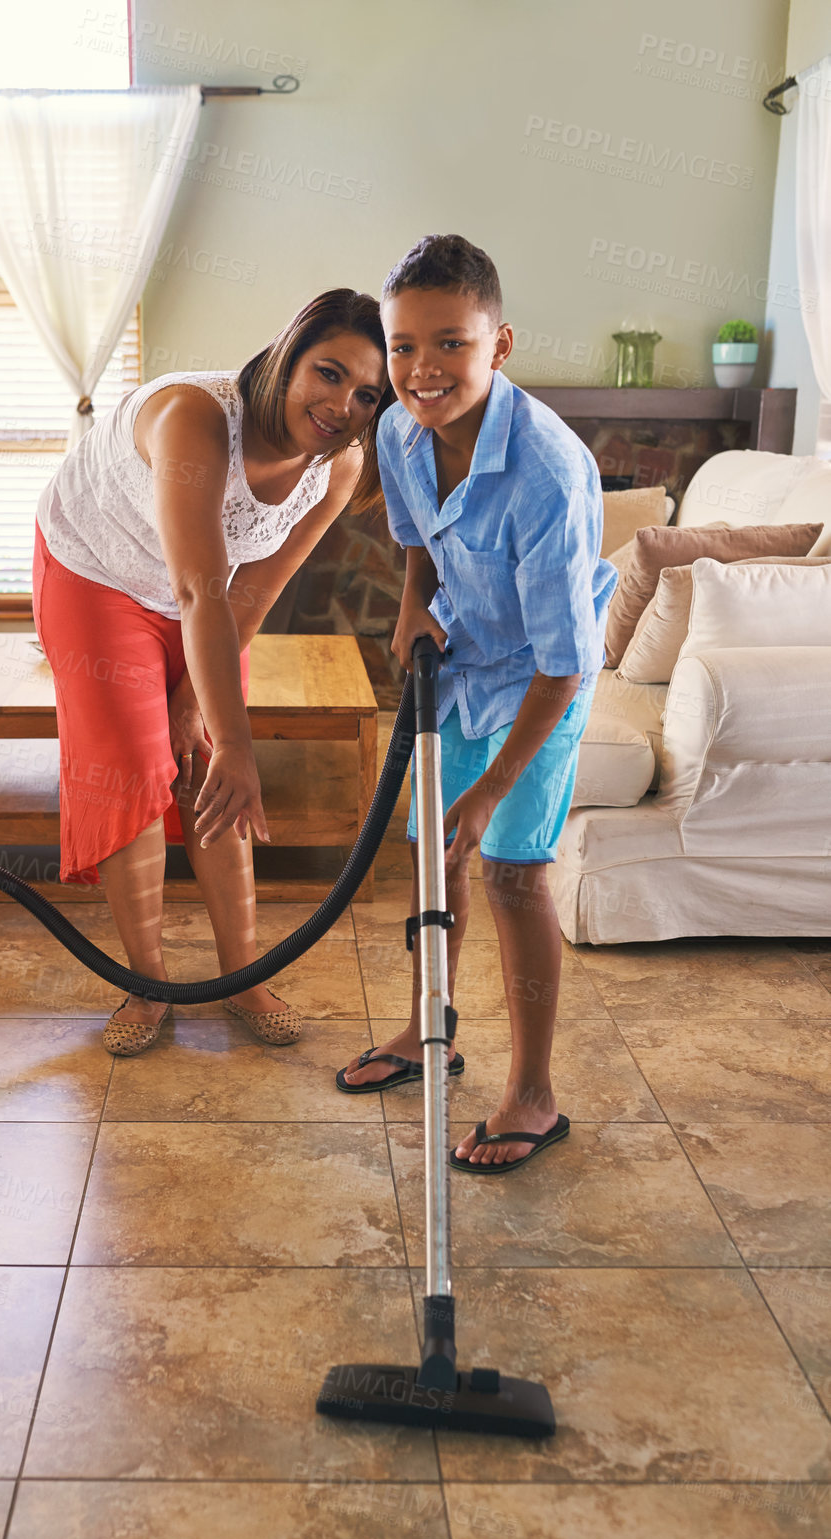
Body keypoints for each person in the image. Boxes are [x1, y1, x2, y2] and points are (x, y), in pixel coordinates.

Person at [33, 290, 392, 1055]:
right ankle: (148, 982)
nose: (340, 405)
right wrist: (238, 741)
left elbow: (253, 589)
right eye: (326, 374)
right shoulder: (193, 418)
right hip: (97, 573)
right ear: (286, 355)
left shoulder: (336, 465)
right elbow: (199, 587)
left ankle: (241, 977)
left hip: (203, 592)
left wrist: (204, 713)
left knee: (203, 761)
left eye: (366, 394)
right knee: (135, 764)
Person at [335, 235, 617, 1172]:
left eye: (450, 344)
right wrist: (414, 603)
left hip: (542, 677)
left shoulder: (547, 471)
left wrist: (494, 786)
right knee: (433, 856)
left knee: (507, 872)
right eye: (405, 345)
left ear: (499, 345)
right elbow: (418, 538)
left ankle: (533, 1094)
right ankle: (431, 1033)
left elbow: (565, 662)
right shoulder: (396, 428)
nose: (423, 370)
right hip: (462, 660)